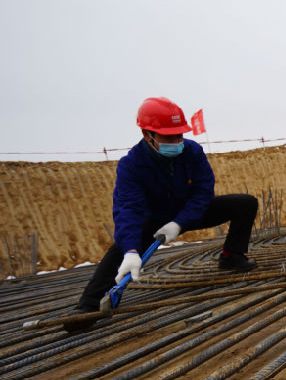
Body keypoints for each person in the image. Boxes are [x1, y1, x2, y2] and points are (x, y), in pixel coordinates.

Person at [66, 97, 258, 330]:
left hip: (189, 213)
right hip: (154, 221)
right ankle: (88, 307)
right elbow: (129, 209)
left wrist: (180, 223)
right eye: (169, 136)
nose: (177, 141)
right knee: (120, 252)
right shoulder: (132, 165)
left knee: (245, 204)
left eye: (180, 135)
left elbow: (203, 191)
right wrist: (131, 250)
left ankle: (231, 257)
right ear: (148, 135)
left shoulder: (193, 151)